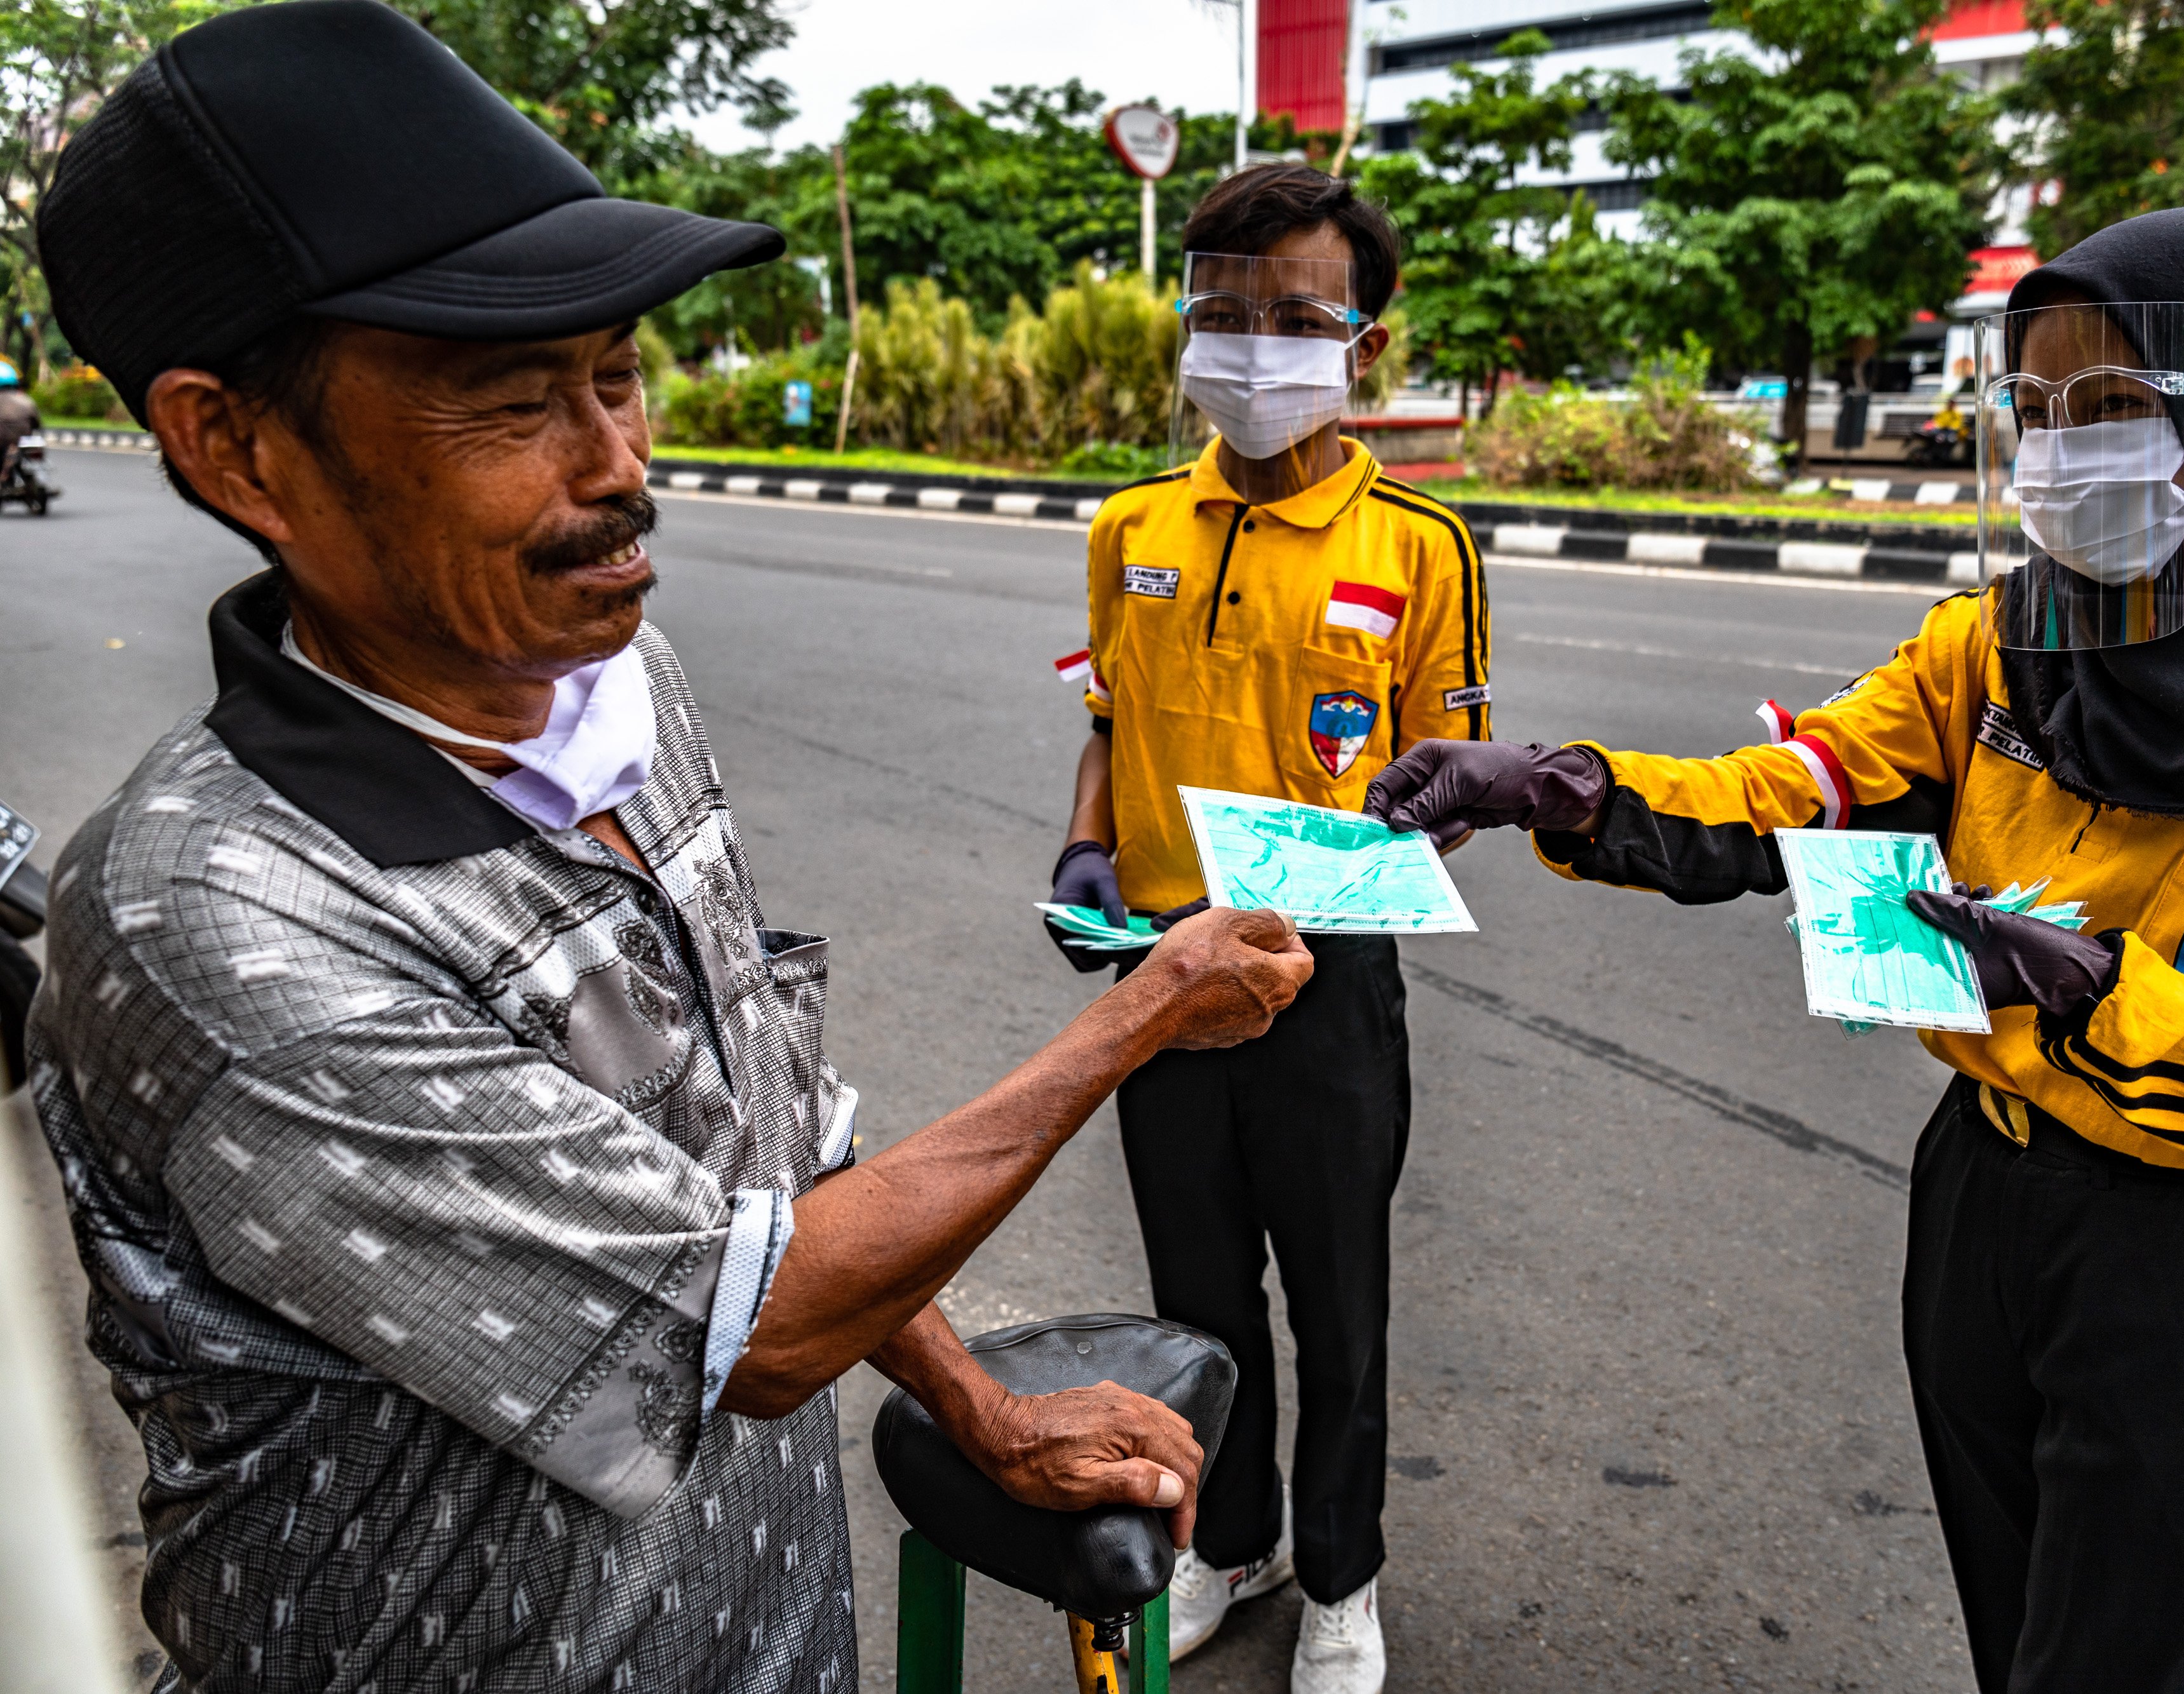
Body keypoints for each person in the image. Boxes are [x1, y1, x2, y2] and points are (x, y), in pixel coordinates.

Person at [25, 6, 1314, 1690]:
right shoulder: (221, 918)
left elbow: (763, 1145)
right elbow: (750, 1317)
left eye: (619, 377)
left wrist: (982, 1407)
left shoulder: (611, 686)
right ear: (236, 446)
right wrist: (1135, 1014)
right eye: (513, 406)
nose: (621, 467)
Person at [1363, 205, 2184, 1693]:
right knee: (2014, 1635)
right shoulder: (2009, 636)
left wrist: (2101, 998)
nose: (2059, 454)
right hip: (1977, 1200)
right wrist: (1557, 784)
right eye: (2031, 410)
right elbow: (1801, 791)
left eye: (2114, 407)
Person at [1052, 162, 1490, 1693]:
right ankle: (1227, 1543)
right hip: (1161, 972)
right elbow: (1108, 709)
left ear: (1362, 343)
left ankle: (1342, 1579)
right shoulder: (1128, 528)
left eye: (1291, 315)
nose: (1249, 345)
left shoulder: (1419, 547)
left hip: (1324, 979)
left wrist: (1401, 825)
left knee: (1336, 1302)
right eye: (1220, 312)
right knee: (1197, 1293)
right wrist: (1087, 839)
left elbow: (1453, 765)